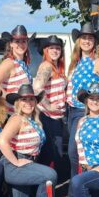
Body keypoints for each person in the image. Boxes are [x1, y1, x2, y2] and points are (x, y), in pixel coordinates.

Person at [0, 84, 63, 197]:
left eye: (31, 99)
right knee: (49, 175)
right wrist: (16, 161)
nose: (28, 103)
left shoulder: (34, 119)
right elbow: (2, 141)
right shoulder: (17, 119)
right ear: (18, 103)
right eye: (24, 99)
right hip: (14, 165)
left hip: (26, 164)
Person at [66, 23, 99, 197]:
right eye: (84, 38)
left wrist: (98, 107)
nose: (87, 41)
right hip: (71, 111)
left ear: (95, 42)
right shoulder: (75, 64)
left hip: (85, 112)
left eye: (90, 38)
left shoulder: (98, 62)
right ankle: (78, 190)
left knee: (75, 152)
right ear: (78, 41)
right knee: (75, 153)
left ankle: (77, 192)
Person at [33, 35, 67, 174]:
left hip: (56, 118)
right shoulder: (46, 66)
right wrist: (49, 106)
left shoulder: (57, 67)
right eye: (51, 48)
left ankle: (49, 189)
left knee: (54, 154)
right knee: (51, 155)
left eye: (57, 48)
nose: (55, 51)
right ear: (45, 50)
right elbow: (37, 88)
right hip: (47, 117)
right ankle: (45, 189)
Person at [0, 25, 35, 113]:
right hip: (10, 114)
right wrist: (9, 99)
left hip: (21, 113)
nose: (21, 44)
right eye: (17, 41)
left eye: (23, 41)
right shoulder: (9, 62)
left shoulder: (23, 64)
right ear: (11, 44)